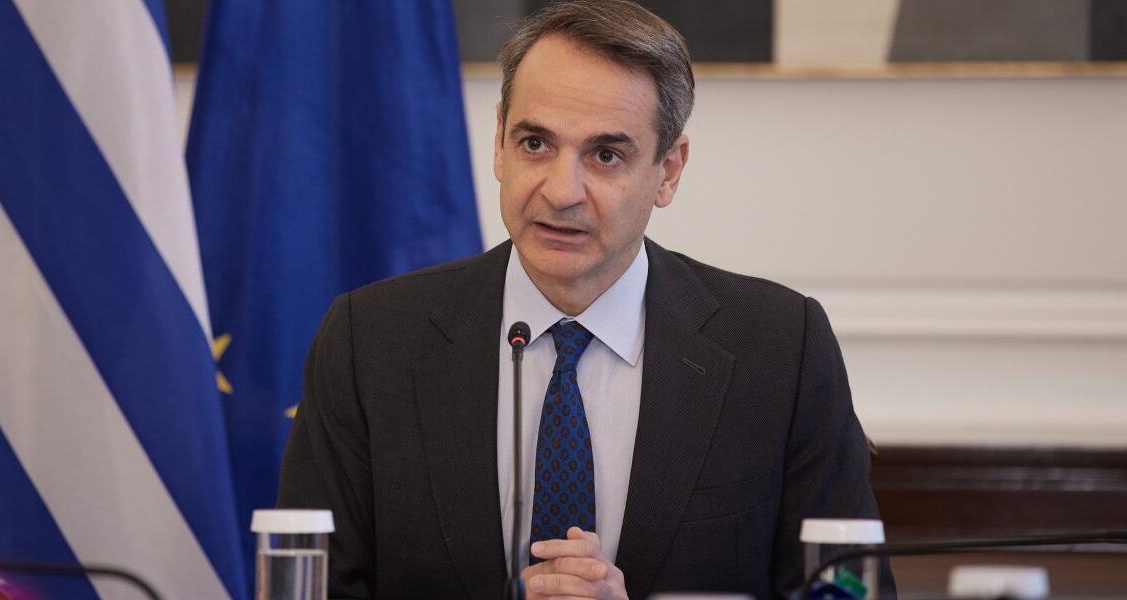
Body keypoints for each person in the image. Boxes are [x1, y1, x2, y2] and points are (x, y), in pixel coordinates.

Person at [278, 1, 889, 598]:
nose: (562, 191)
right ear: (498, 142)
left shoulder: (779, 349)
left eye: (605, 155)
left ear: (669, 170)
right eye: (535, 144)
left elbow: (849, 592)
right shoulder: (370, 342)